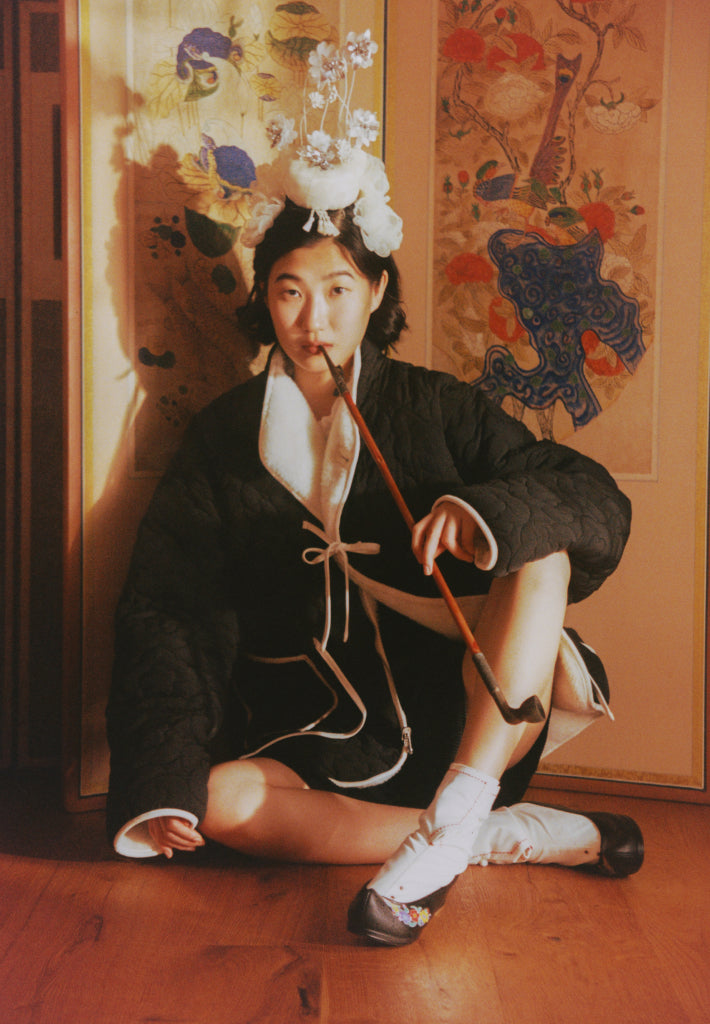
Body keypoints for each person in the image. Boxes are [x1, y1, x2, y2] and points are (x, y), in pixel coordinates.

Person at [106, 32, 643, 947]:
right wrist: (160, 780)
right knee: (219, 800)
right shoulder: (226, 435)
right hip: (316, 725)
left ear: (375, 289)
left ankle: (464, 803)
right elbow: (169, 610)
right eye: (288, 292)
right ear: (264, 298)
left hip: (471, 712)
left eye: (338, 290)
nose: (314, 320)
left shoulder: (437, 406)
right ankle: (484, 840)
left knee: (540, 542)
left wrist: (480, 518)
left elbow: (590, 495)